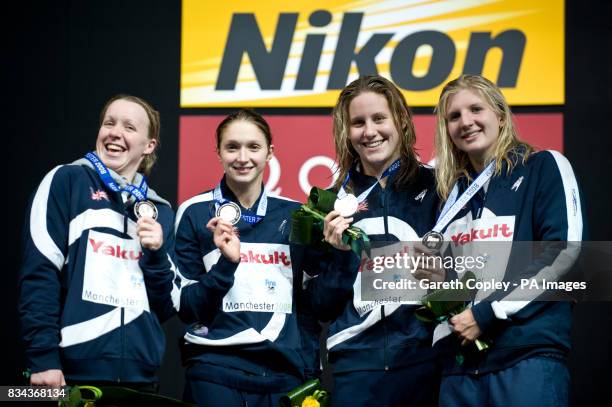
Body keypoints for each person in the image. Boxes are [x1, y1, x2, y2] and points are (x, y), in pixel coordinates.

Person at [429, 74, 585, 406]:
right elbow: (456, 282)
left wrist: (485, 314)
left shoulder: (543, 166)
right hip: (459, 367)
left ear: (500, 115)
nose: (465, 122)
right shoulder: (450, 197)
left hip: (524, 355)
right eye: (454, 116)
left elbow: (562, 252)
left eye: (475, 109)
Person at [18, 94, 174, 391]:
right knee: (12, 398)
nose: (115, 132)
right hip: (70, 374)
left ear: (149, 145)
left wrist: (155, 255)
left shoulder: (161, 211)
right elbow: (39, 273)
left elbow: (164, 307)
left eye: (129, 127)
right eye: (109, 123)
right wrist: (43, 359)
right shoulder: (67, 181)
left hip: (140, 379)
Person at [306, 75, 441, 406]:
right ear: (345, 131)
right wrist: (338, 256)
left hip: (426, 361)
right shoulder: (323, 204)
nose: (369, 131)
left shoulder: (440, 188)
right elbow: (318, 307)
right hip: (356, 366)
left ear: (400, 120)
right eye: (358, 122)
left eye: (379, 118)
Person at [172, 109, 317, 407]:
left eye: (253, 147)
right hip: (215, 370)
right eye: (232, 147)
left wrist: (308, 369)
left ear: (270, 153)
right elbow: (187, 307)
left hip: (281, 376)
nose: (242, 157)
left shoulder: (296, 215)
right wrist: (226, 265)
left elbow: (306, 306)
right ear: (218, 152)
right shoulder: (195, 212)